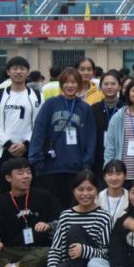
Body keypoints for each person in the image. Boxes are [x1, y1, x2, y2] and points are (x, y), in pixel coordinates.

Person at [22, 170, 112, 267]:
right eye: (80, 189)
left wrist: (84, 250)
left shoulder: (104, 217)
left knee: (75, 230)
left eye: (90, 189)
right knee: (65, 265)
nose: (85, 194)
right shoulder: (66, 215)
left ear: (97, 191)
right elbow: (56, 249)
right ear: (73, 191)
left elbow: (107, 254)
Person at [29, 67, 97, 207]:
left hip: (76, 168)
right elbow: (39, 131)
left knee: (72, 207)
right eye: (66, 82)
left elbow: (91, 138)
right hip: (50, 167)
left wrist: (86, 163)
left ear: (79, 84)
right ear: (61, 84)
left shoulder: (85, 108)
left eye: (74, 82)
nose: (70, 86)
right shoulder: (50, 104)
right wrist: (36, 160)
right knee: (51, 207)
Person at [0, 56, 42, 194]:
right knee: (5, 194)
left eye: (22, 69)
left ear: (28, 72)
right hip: (3, 152)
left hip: (29, 152)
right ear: (8, 72)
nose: (18, 72)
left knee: (30, 193)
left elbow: (40, 124)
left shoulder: (38, 96)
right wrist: (8, 144)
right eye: (15, 69)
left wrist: (25, 144)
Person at [91, 70, 123, 178]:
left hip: (121, 155)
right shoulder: (93, 109)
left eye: (113, 84)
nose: (109, 87)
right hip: (98, 157)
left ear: (119, 87)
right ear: (100, 87)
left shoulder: (126, 108)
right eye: (106, 84)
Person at [98, 160, 130, 227]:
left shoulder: (130, 197)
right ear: (104, 177)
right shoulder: (97, 198)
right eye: (110, 174)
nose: (114, 178)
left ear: (125, 176)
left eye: (118, 174)